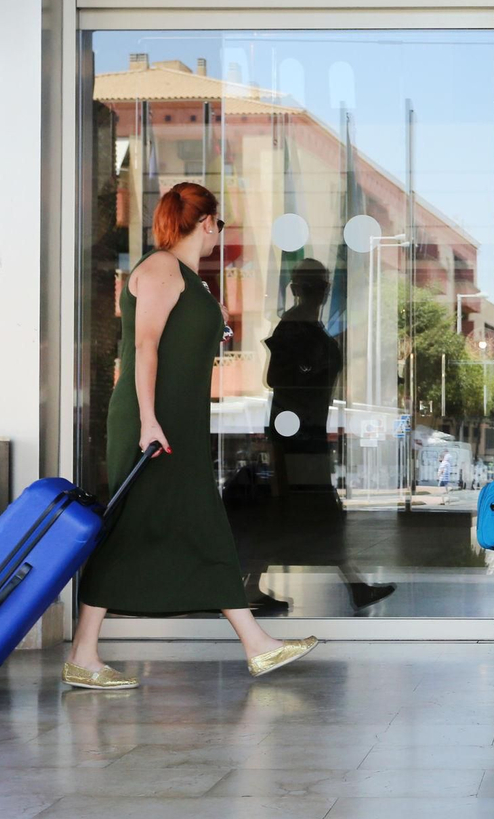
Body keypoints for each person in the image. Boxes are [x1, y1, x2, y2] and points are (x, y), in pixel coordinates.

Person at [70, 182, 317, 689]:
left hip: (173, 422)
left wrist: (213, 322)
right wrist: (148, 421)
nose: (218, 235)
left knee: (192, 523)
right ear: (205, 221)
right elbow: (145, 349)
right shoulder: (161, 268)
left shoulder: (188, 278)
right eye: (219, 225)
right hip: (154, 423)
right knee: (129, 528)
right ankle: (84, 655)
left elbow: (181, 340)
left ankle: (255, 644)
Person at [262, 259, 395, 613]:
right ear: (298, 289)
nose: (319, 294)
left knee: (311, 511)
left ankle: (355, 586)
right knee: (313, 512)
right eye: (313, 287)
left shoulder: (307, 325)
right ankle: (355, 586)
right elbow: (277, 377)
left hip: (307, 433)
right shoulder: (294, 326)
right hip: (297, 436)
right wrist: (313, 367)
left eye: (321, 288)